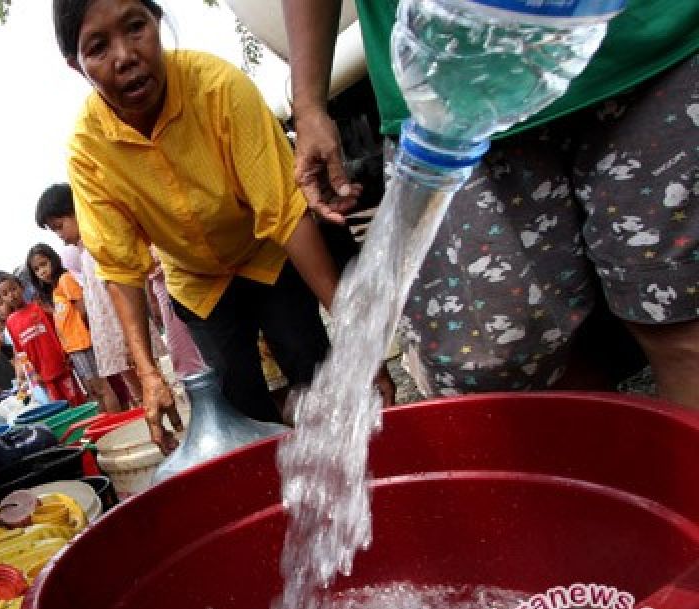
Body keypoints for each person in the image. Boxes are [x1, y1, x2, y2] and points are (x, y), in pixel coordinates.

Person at [282, 0, 699, 408]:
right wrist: (308, 104)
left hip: (648, 53)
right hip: (445, 91)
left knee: (682, 316)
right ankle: (600, 467)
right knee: (503, 359)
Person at [51, 0, 394, 449]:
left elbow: (285, 215)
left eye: (135, 27)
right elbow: (120, 268)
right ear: (77, 65)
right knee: (239, 411)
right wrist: (149, 373)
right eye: (98, 47)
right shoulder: (87, 149)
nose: (124, 56)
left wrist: (358, 340)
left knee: (317, 372)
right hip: (197, 283)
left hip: (267, 256)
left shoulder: (217, 86)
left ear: (157, 21)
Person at [36, 183, 144, 409]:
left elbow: (118, 294)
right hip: (114, 336)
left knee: (145, 381)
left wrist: (129, 337)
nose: (60, 236)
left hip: (126, 333)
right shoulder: (83, 253)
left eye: (59, 226)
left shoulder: (97, 248)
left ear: (77, 211)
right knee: (137, 391)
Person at [28, 243, 121, 411]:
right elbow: (65, 315)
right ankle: (108, 421)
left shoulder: (65, 279)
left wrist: (86, 331)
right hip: (74, 346)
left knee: (101, 386)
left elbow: (81, 306)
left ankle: (117, 421)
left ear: (53, 260)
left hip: (83, 342)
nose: (42, 271)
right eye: (36, 269)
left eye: (44, 264)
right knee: (92, 389)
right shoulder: (55, 289)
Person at [0, 273, 85, 405]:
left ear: (22, 288)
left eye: (13, 289)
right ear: (2, 298)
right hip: (42, 376)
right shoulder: (10, 322)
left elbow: (58, 330)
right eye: (5, 294)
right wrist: (32, 376)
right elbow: (21, 354)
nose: (11, 295)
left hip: (61, 365)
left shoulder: (39, 307)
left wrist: (66, 354)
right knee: (59, 408)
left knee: (77, 402)